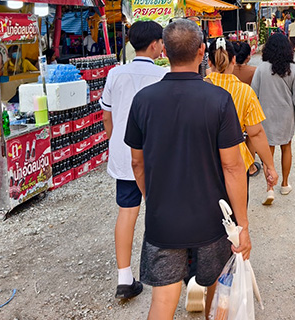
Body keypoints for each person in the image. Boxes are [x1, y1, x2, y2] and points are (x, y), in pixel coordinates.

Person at [125, 19, 250, 319]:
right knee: (215, 293)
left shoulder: (143, 101)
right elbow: (233, 167)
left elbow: (136, 162)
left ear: (164, 50)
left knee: (163, 302)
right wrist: (242, 227)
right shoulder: (219, 100)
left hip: (163, 220)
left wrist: (152, 198)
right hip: (212, 220)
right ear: (202, 52)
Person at [100, 21, 167, 300]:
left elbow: (107, 116)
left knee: (127, 212)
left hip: (124, 155)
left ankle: (124, 277)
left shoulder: (115, 74)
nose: (163, 46)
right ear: (154, 44)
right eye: (161, 41)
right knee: (163, 211)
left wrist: (115, 142)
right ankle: (168, 274)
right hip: (157, 155)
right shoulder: (163, 75)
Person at [206, 37, 279, 197]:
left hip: (205, 161)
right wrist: (270, 166)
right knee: (235, 213)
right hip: (236, 160)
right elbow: (256, 133)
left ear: (209, 62)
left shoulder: (199, 88)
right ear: (233, 59)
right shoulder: (245, 92)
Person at [251, 33, 295, 204]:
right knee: (286, 147)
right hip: (286, 114)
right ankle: (284, 183)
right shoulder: (293, 69)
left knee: (268, 151)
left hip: (265, 113)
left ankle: (269, 189)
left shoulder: (261, 69)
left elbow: (253, 94)